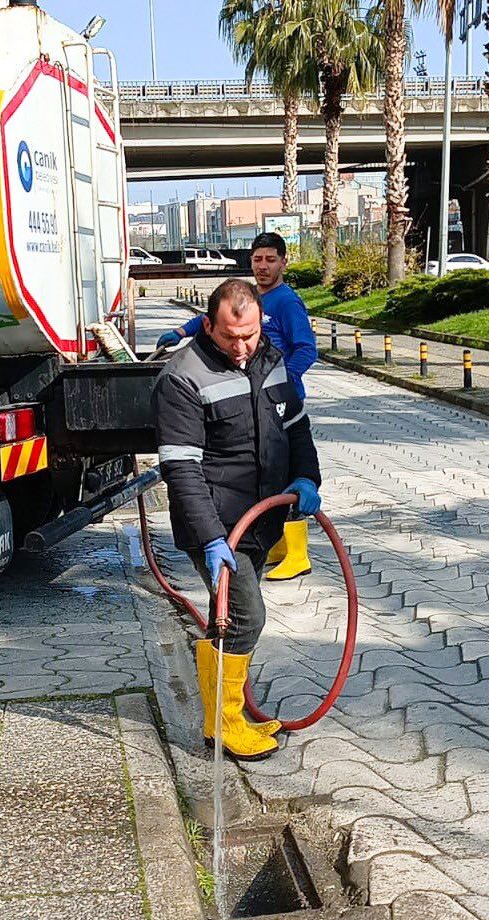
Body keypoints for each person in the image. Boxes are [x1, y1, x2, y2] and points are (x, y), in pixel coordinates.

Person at [153, 279, 322, 761]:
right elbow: (181, 469)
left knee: (229, 618)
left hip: (261, 520)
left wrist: (306, 476)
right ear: (208, 325)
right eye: (230, 337)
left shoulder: (271, 360)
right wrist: (209, 537)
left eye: (250, 335)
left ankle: (224, 716)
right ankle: (223, 725)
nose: (242, 347)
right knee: (247, 617)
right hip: (218, 525)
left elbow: (296, 427)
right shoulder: (183, 377)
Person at [159, 232, 319, 581]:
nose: (263, 266)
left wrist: (278, 378)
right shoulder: (244, 301)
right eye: (258, 259)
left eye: (270, 260)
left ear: (283, 262)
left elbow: (307, 349)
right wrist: (180, 331)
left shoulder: (287, 303)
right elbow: (218, 315)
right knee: (242, 606)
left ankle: (297, 553)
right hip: (225, 518)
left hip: (275, 395)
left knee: (283, 468)